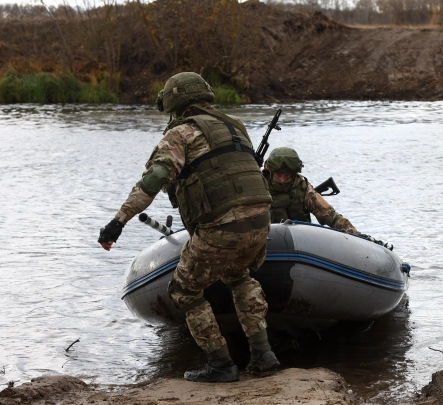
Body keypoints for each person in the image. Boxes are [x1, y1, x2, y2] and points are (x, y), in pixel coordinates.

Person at [97, 72, 279, 383]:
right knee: (239, 276)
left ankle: (221, 364)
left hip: (221, 225)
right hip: (261, 221)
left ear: (173, 103)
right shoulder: (235, 125)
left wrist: (118, 221)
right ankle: (263, 355)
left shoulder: (179, 134)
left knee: (184, 290)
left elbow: (153, 181)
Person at [262, 147, 358, 234]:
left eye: (287, 176)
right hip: (266, 240)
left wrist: (354, 233)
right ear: (270, 172)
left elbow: (330, 216)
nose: (282, 180)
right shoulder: (259, 187)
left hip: (299, 240)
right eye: (278, 175)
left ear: (294, 173)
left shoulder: (303, 189)